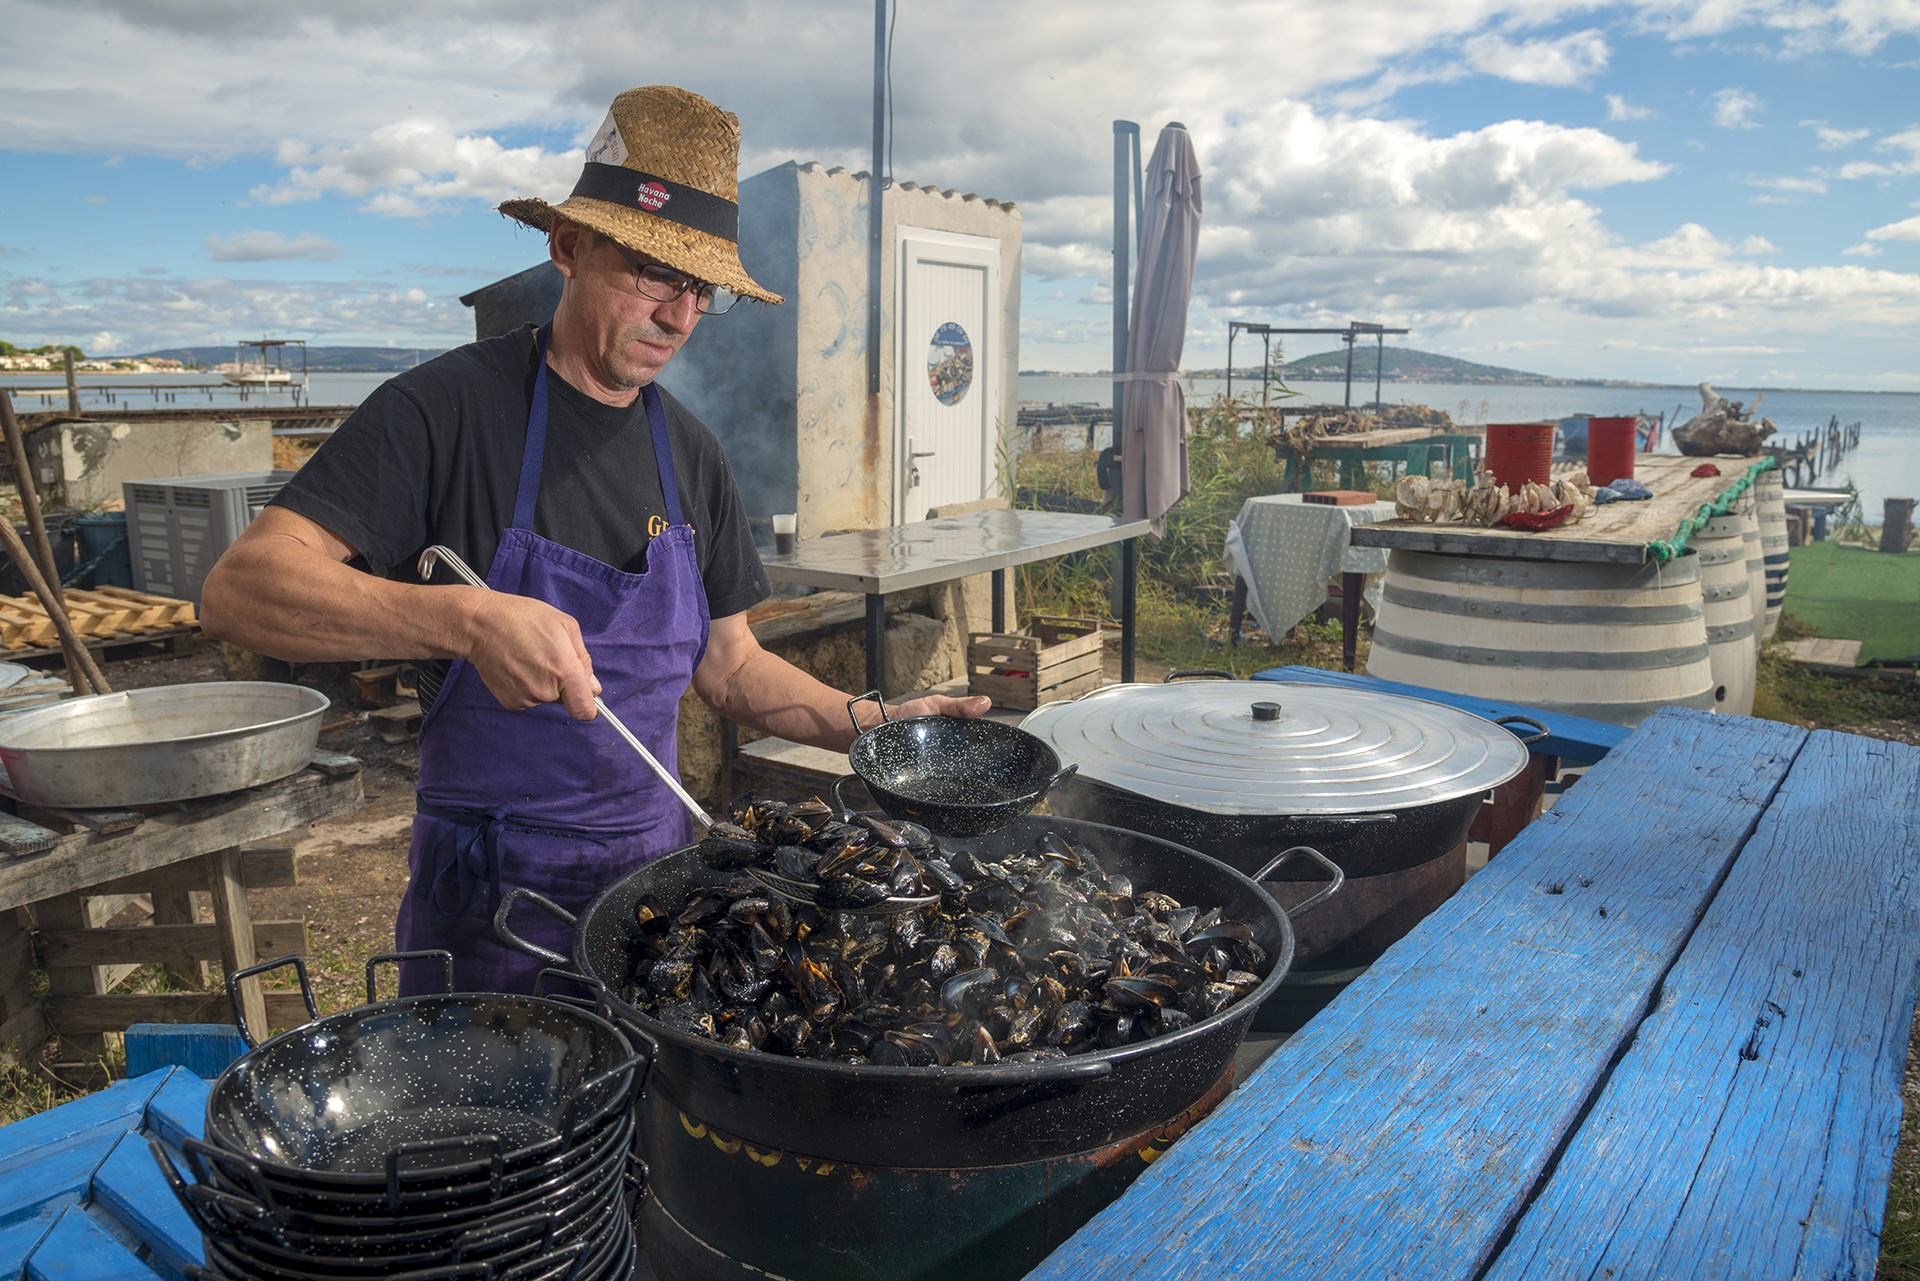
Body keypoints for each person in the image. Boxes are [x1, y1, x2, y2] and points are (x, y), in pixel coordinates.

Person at [200, 85, 988, 996]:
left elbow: (731, 667)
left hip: (653, 900)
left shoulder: (691, 453)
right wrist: (463, 619)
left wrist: (871, 725)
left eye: (702, 291)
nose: (679, 316)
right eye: (654, 272)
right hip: (488, 912)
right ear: (567, 247)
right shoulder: (443, 410)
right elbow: (242, 588)